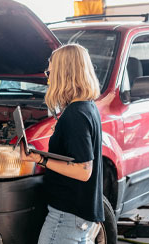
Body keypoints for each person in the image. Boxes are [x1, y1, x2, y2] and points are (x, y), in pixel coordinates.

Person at [20, 43, 103, 244]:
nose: (47, 77)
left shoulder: (75, 115)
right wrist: (41, 156)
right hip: (79, 213)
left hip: (67, 215)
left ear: (63, 73)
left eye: (50, 71)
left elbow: (83, 170)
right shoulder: (88, 107)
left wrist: (41, 159)